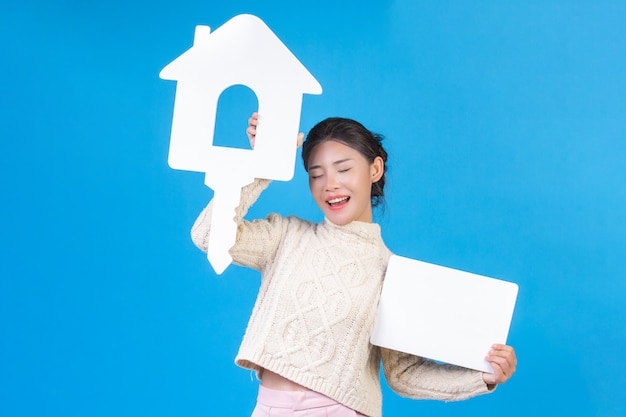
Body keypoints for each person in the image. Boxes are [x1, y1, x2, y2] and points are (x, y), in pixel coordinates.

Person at [191, 112, 517, 417]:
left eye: (343, 169)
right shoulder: (285, 237)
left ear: (374, 169)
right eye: (316, 175)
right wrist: (262, 163)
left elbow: (404, 374)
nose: (329, 184)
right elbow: (209, 234)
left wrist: (483, 376)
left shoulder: (394, 275)